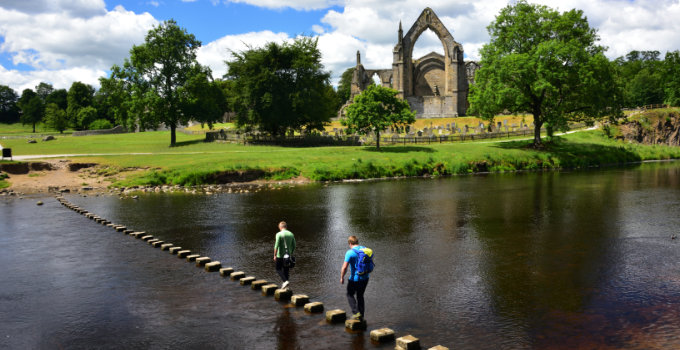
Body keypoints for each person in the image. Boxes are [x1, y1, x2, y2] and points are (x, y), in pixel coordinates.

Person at [340, 235, 370, 321]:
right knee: (360, 296)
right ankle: (361, 316)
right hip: (365, 278)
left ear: (350, 243)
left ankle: (356, 313)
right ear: (357, 242)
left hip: (354, 279)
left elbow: (345, 267)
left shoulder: (350, 252)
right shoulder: (365, 249)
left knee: (349, 294)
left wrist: (342, 277)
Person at [273, 221, 295, 289]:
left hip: (280, 255)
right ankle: (287, 287)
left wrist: (274, 255)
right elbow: (294, 245)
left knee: (278, 269)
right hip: (287, 255)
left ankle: (285, 281)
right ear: (286, 227)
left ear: (280, 227)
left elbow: (276, 246)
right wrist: (290, 253)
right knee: (286, 270)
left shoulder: (278, 234)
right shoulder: (291, 234)